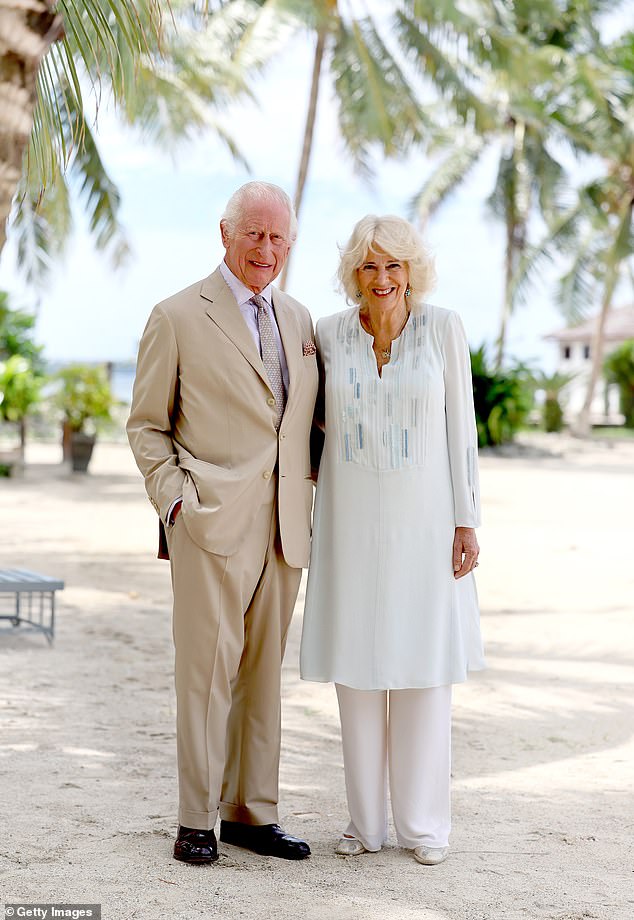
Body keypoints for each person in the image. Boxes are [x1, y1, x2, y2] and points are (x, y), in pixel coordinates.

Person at [127, 181, 318, 864]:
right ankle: (195, 820)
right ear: (225, 233)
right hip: (208, 523)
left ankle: (249, 812)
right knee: (205, 675)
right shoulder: (177, 315)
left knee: (263, 674)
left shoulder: (300, 320)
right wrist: (176, 502)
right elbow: (146, 426)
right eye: (254, 234)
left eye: (278, 237)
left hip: (284, 528)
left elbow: (304, 424)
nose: (267, 249)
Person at [300, 214, 485, 866]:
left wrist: (468, 521)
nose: (383, 279)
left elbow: (461, 430)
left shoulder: (443, 329)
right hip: (348, 527)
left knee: (423, 674)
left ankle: (425, 827)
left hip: (426, 527)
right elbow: (301, 423)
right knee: (356, 675)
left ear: (413, 272)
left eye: (395, 266)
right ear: (355, 273)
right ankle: (366, 825)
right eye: (371, 266)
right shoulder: (325, 335)